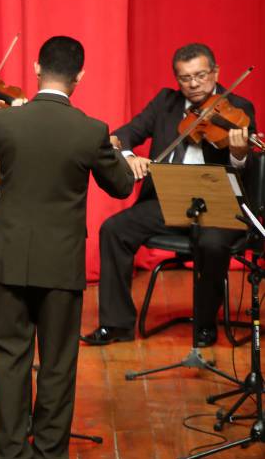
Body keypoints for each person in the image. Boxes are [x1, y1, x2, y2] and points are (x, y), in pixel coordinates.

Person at [0, 36, 133, 459]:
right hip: (61, 265)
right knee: (57, 365)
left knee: (9, 362)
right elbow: (120, 186)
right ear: (80, 76)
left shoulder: (6, 121)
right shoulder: (91, 130)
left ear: (36, 68)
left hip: (9, 260)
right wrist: (115, 151)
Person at [83, 43, 256, 348]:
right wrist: (128, 156)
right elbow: (123, 134)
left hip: (219, 205)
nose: (194, 84)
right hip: (169, 202)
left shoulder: (238, 108)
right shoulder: (165, 103)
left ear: (215, 72)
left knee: (212, 243)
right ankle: (116, 324)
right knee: (114, 229)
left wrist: (238, 153)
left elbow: (245, 166)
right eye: (185, 78)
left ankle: (204, 325)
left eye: (201, 75)